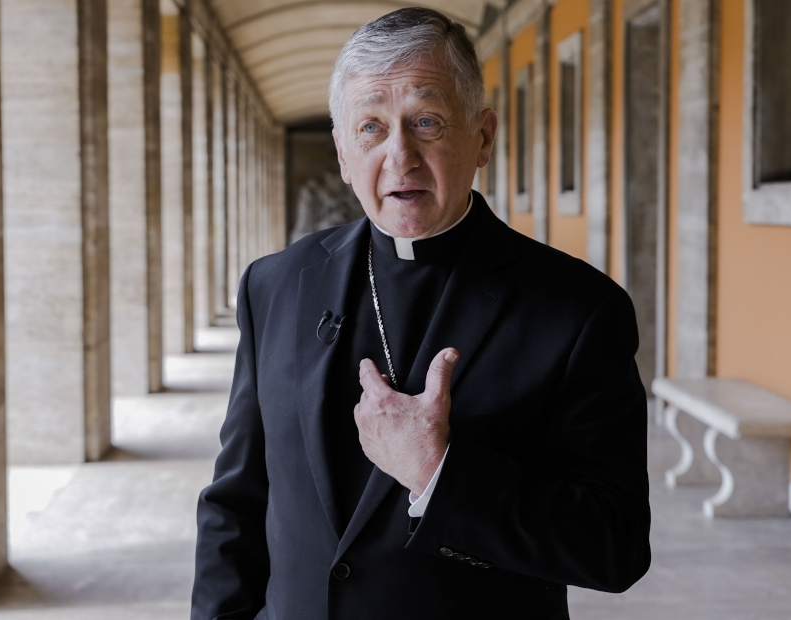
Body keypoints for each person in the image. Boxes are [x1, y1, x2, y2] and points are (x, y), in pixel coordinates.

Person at [192, 8, 650, 619]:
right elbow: (236, 505)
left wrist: (439, 472)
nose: (399, 154)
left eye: (426, 122)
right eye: (371, 129)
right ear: (342, 154)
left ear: (482, 136)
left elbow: (615, 547)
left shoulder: (578, 310)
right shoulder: (274, 285)